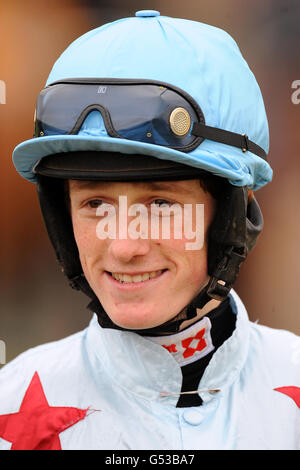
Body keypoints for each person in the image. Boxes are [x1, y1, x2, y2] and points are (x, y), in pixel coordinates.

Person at [0, 10, 299, 451]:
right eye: (95, 204)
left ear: (237, 213)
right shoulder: (11, 403)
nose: (124, 246)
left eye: (161, 205)